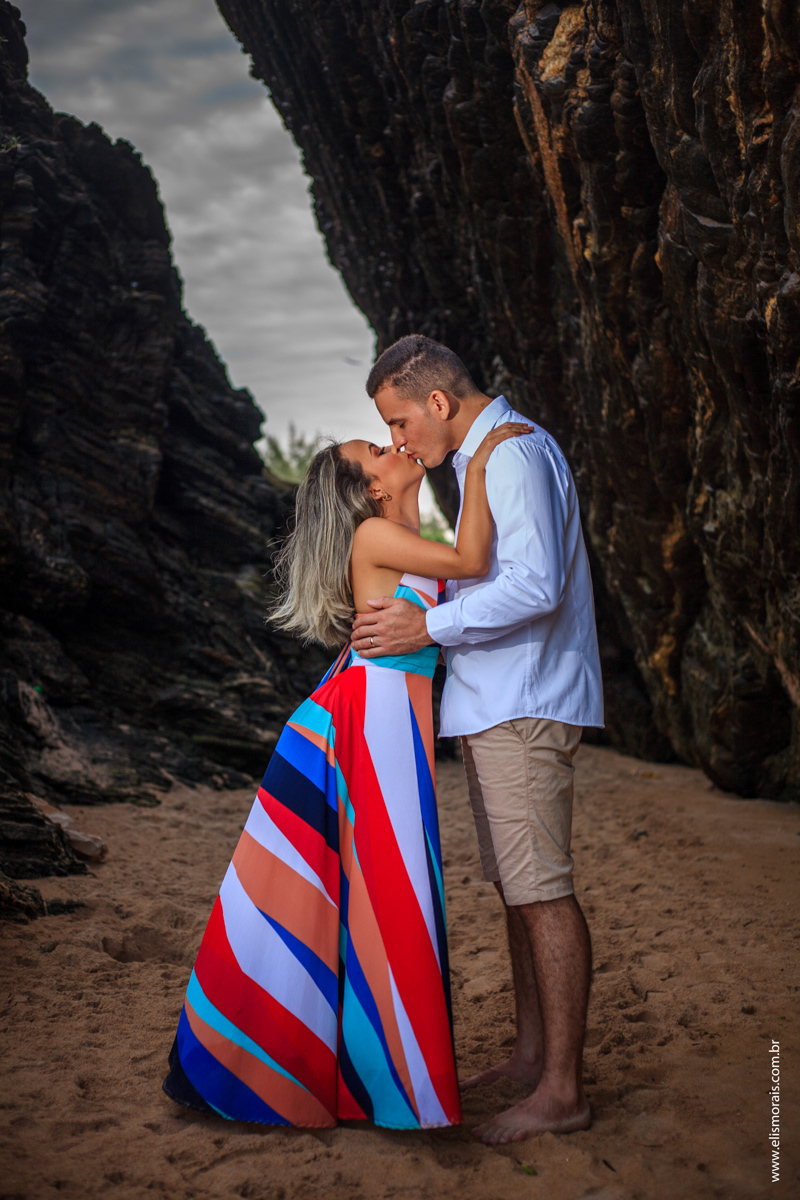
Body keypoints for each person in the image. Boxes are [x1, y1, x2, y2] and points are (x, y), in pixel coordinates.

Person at [162, 418, 532, 1130]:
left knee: (377, 885)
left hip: (385, 712)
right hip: (371, 714)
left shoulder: (401, 534)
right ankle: (379, 1083)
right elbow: (474, 558)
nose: (393, 446)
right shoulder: (375, 536)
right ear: (370, 490)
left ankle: (375, 1079)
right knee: (389, 883)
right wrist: (481, 459)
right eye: (377, 450)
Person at [351, 335, 604, 1145]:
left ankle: (561, 1091)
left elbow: (535, 585)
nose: (396, 439)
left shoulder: (513, 453)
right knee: (516, 891)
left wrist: (428, 626)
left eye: (398, 421)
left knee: (543, 892)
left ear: (437, 401)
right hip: (495, 703)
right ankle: (532, 1058)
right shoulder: (483, 458)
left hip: (523, 703)